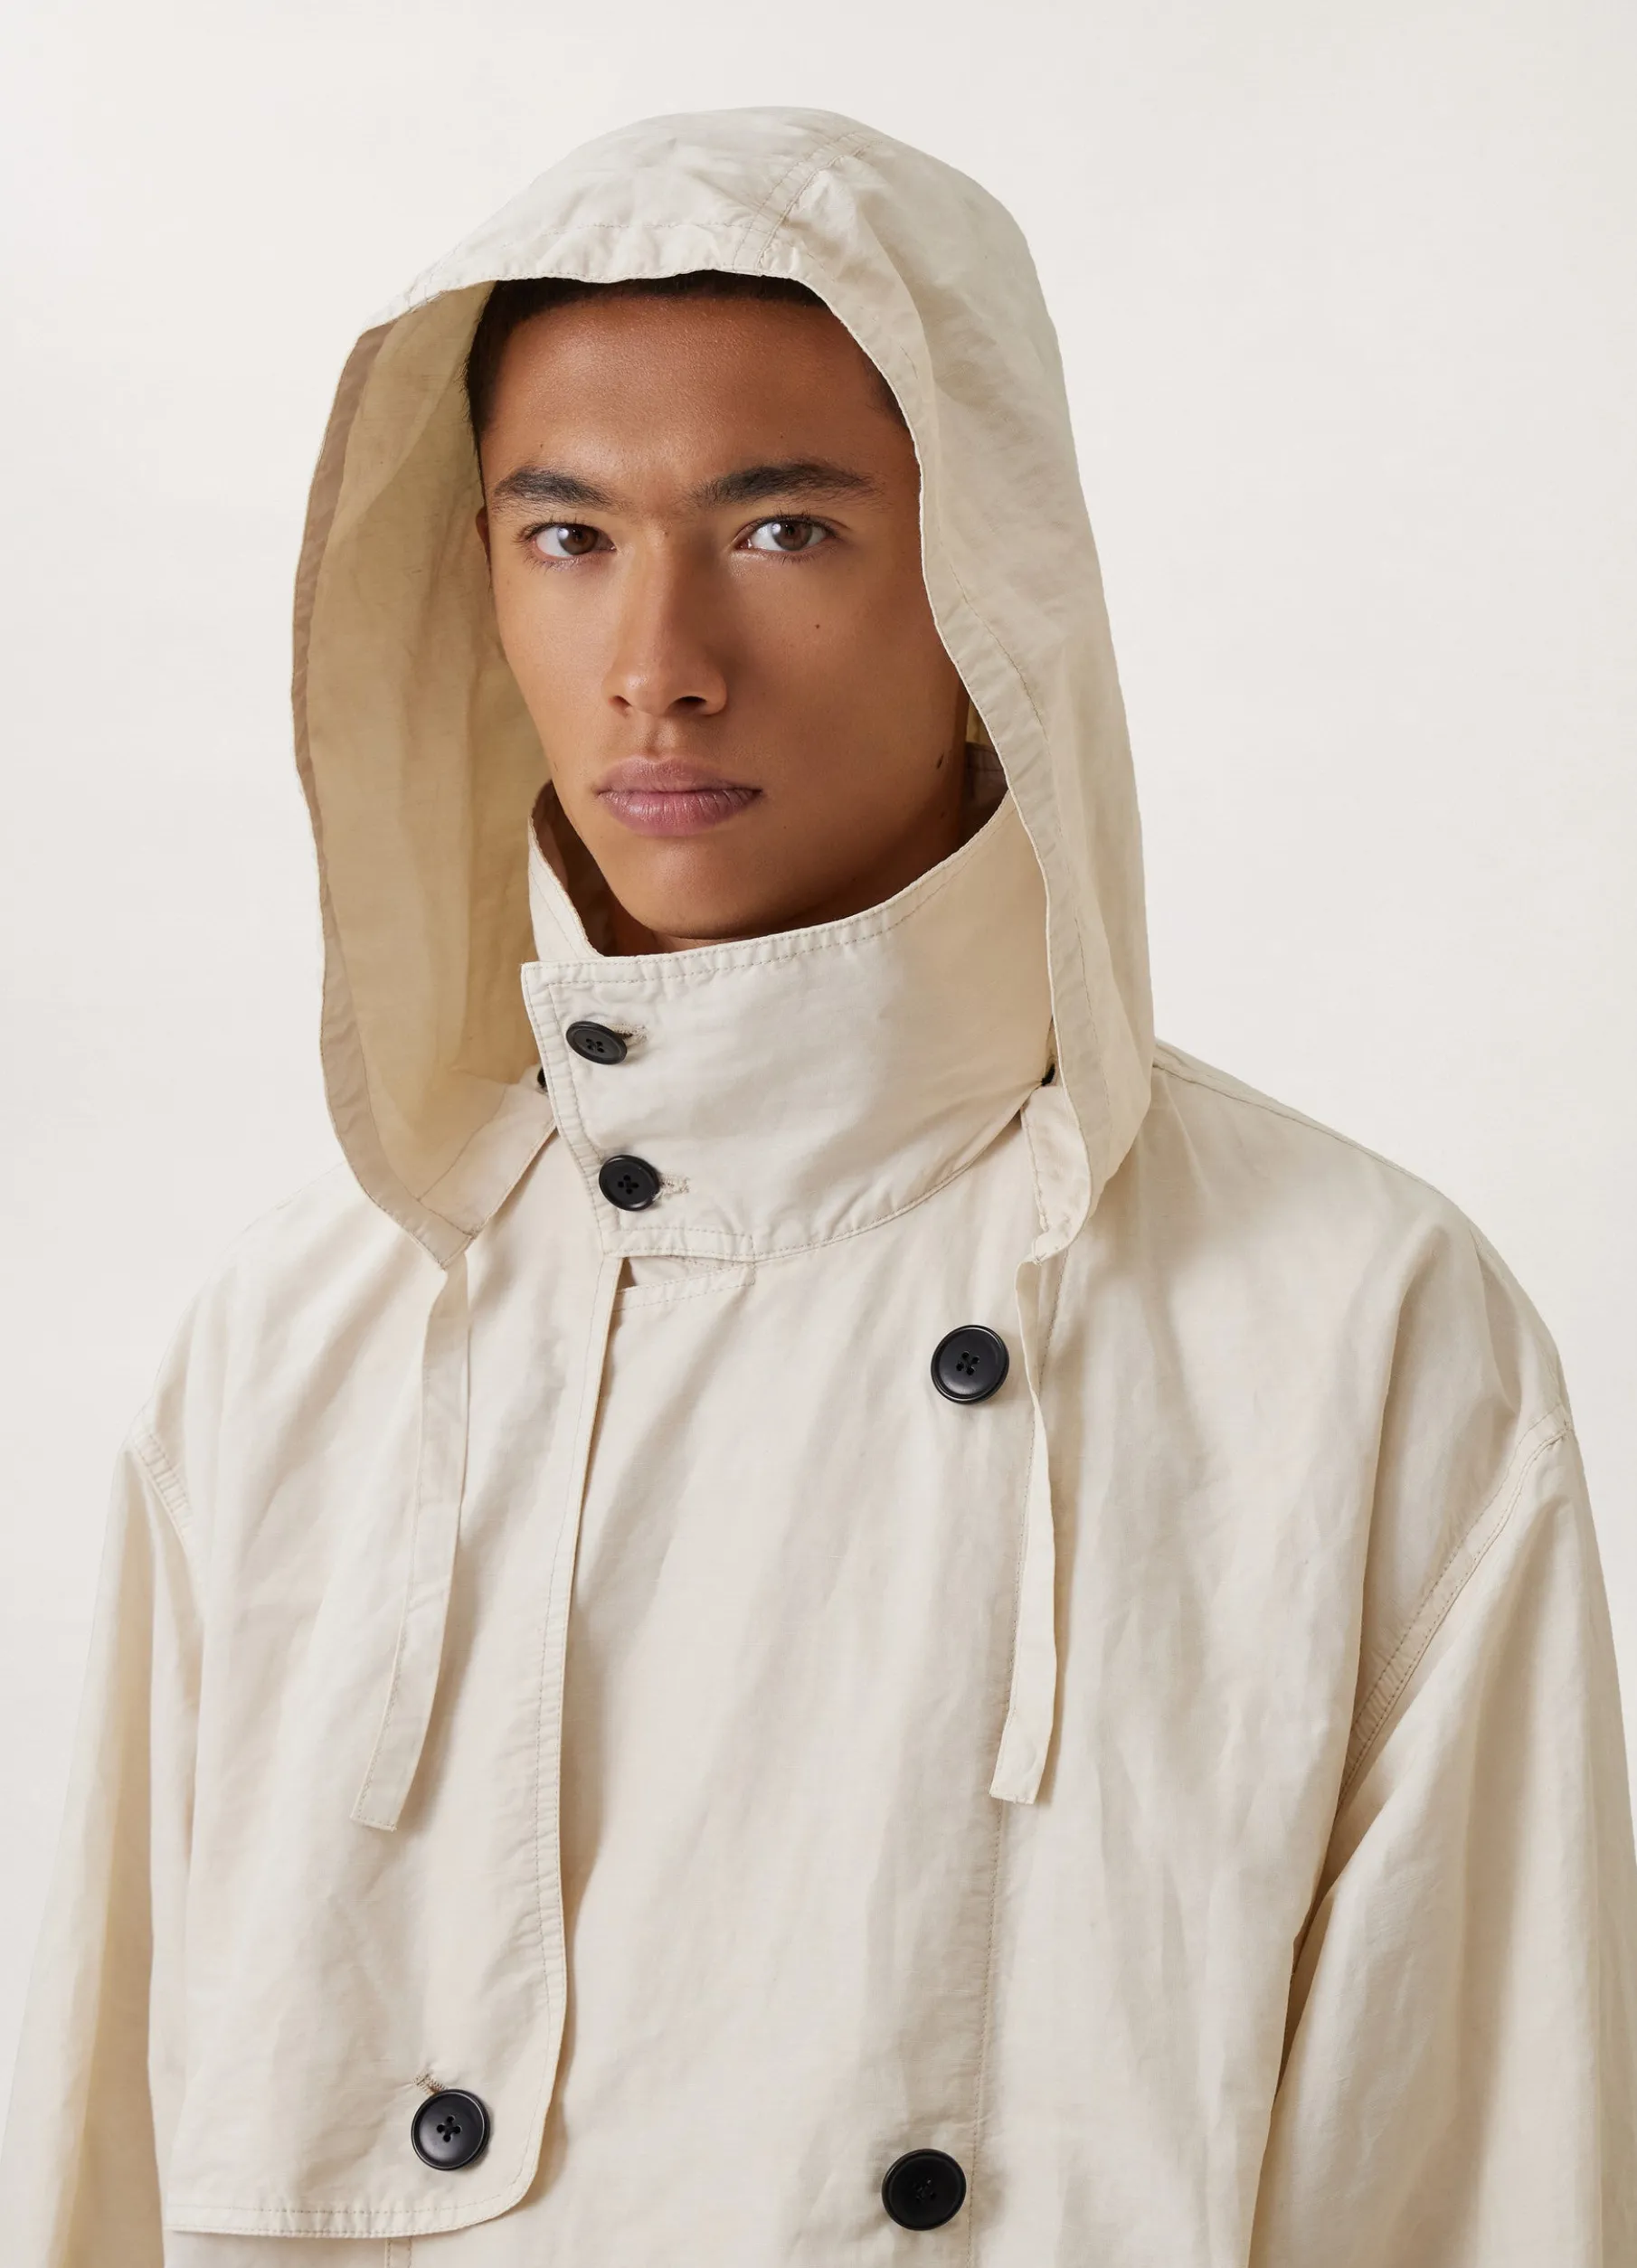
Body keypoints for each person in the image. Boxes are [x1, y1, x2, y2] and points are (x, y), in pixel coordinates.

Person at [2, 105, 1632, 2267]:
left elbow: (1476, 2194)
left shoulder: (1350, 1329)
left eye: (780, 530)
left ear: (988, 592)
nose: (655, 660)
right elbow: (100, 2186)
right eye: (563, 533)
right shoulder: (300, 1349)